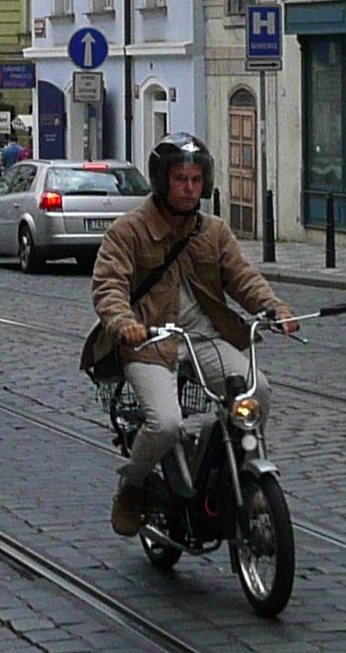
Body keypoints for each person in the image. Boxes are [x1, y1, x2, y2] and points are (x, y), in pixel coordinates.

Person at [89, 136, 298, 539]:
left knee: (259, 392)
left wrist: (274, 308)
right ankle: (133, 484)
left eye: (197, 179)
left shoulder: (214, 231)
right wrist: (122, 323)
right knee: (165, 424)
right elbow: (109, 286)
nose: (189, 187)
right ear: (161, 181)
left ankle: (229, 466)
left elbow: (242, 277)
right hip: (150, 343)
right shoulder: (127, 231)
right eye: (181, 179)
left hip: (205, 338)